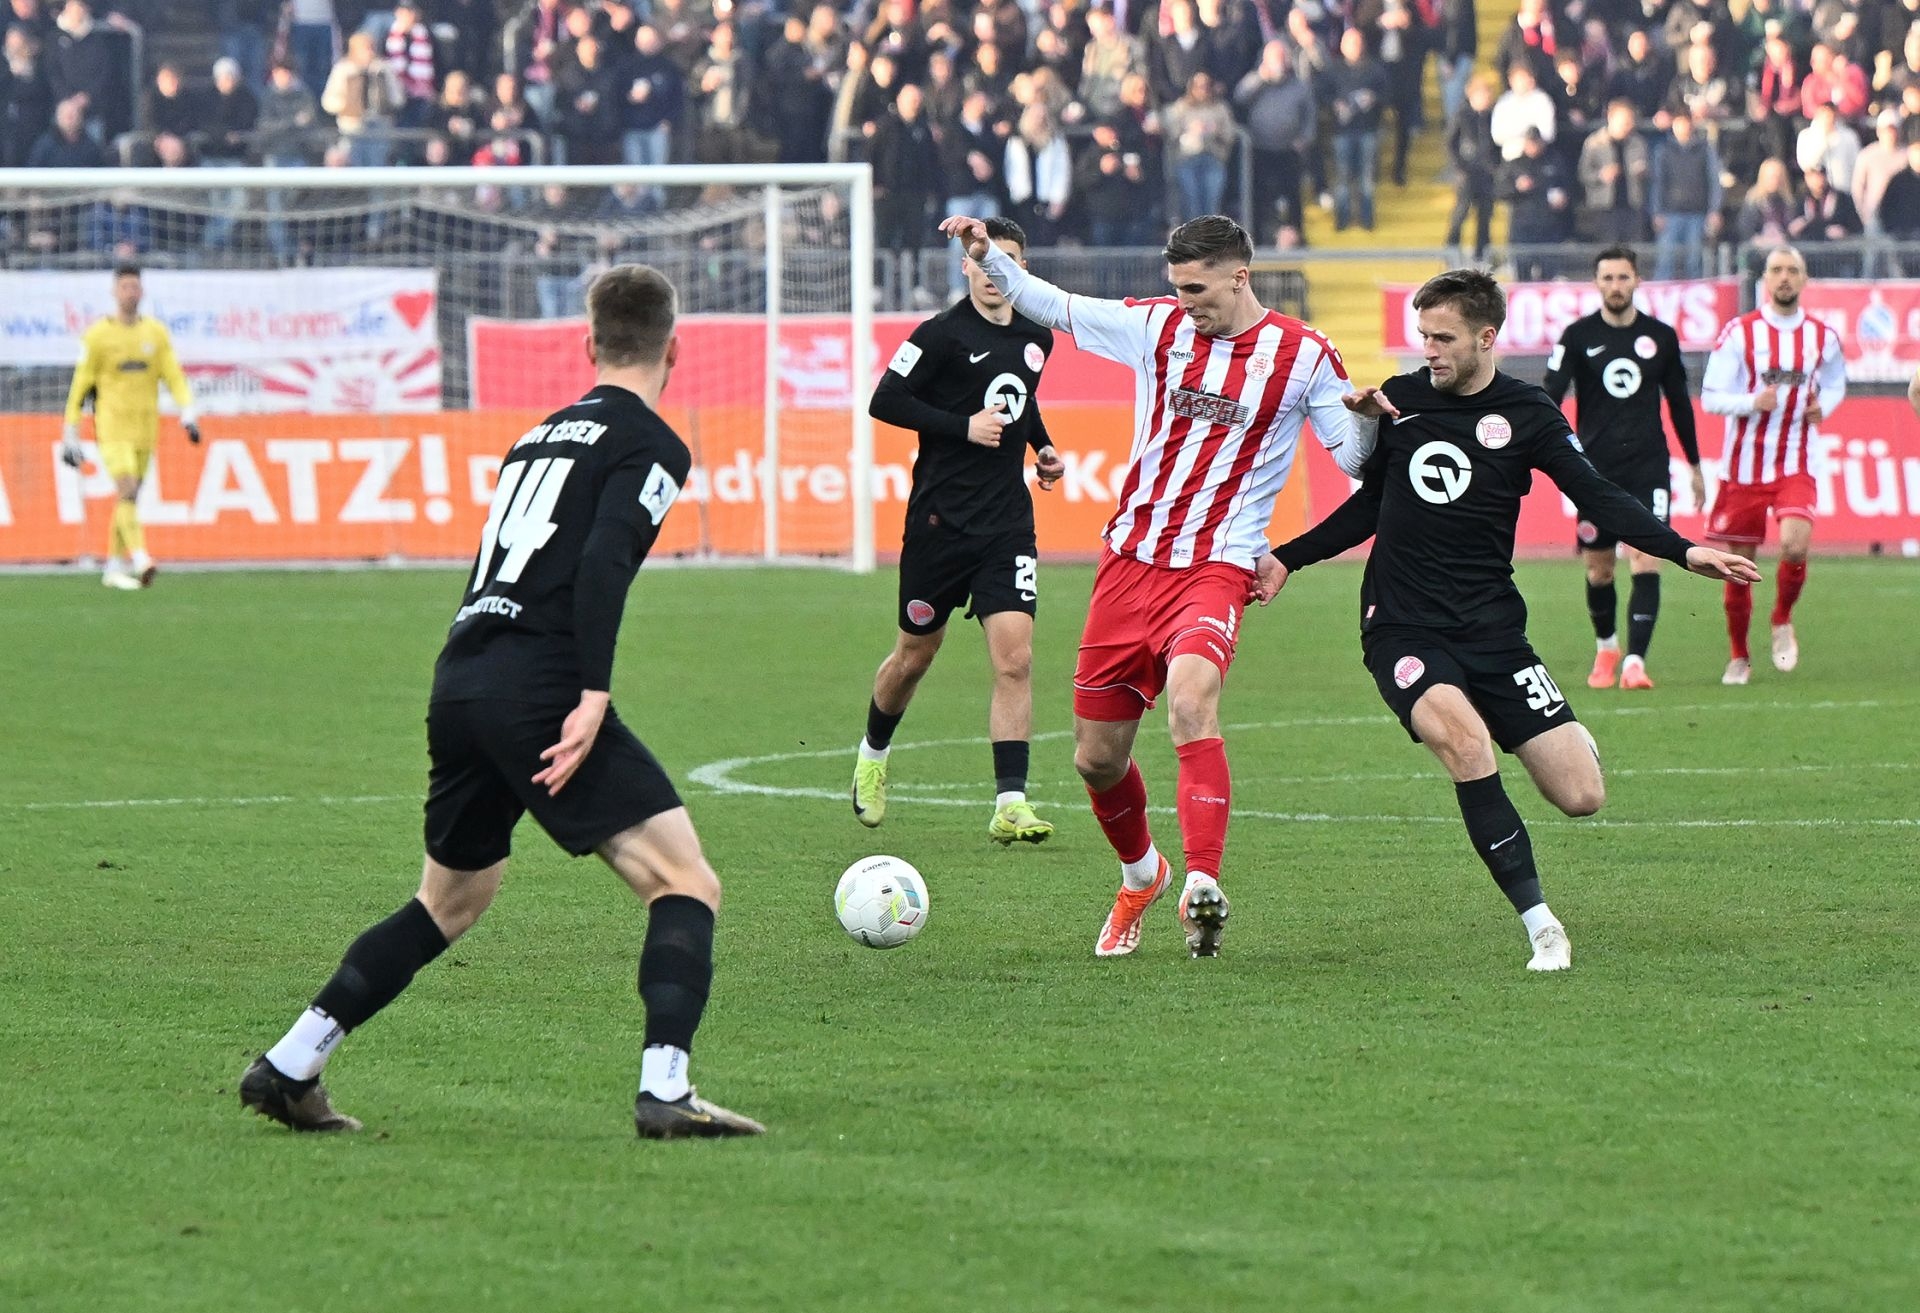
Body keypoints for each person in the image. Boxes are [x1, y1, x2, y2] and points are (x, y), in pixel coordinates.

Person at [238, 266, 764, 1141]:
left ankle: (291, 1064)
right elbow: (602, 562)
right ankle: (666, 1089)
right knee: (685, 882)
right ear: (675, 350)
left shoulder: (536, 437)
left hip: (463, 674)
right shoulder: (652, 443)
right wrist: (592, 691)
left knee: (449, 900)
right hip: (540, 685)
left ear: (588, 344)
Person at [1261, 269, 1758, 973]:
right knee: (1467, 747)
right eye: (1423, 335)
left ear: (1486, 337)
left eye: (1443, 338)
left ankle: (1538, 725)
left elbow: (1596, 493)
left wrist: (1682, 550)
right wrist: (1288, 558)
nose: (1428, 350)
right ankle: (1542, 925)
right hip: (1402, 625)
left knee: (1581, 795)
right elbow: (1370, 506)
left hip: (1493, 630)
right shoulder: (1401, 400)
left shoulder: (1528, 413)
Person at [938, 212, 1374, 960]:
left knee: (1191, 702)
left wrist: (1366, 424)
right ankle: (1142, 874)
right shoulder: (1157, 327)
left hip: (1217, 566)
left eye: (1196, 288)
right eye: (1176, 287)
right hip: (1129, 563)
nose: (1185, 302)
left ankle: (1202, 884)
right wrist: (990, 260)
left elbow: (1355, 460)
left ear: (1241, 277)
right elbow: (1057, 306)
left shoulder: (1303, 355)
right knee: (1096, 758)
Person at [854, 217, 1065, 844]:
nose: (996, 270)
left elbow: (1021, 397)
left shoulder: (1037, 335)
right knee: (914, 657)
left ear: (1022, 269)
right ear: (967, 266)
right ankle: (872, 754)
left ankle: (1010, 803)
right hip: (939, 524)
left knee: (1016, 660)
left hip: (1006, 524)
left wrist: (1042, 446)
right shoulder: (940, 334)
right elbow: (885, 400)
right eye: (984, 258)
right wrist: (962, 426)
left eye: (1009, 259)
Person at [1542, 246, 1702, 691]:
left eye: (1623, 277)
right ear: (1597, 283)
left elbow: (1679, 404)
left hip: (1649, 467)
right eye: (1608, 278)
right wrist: (1547, 450)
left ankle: (1635, 662)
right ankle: (1607, 647)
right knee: (1600, 570)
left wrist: (1694, 464)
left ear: (1637, 281)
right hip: (1594, 472)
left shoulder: (1661, 337)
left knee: (1647, 559)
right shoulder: (1577, 336)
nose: (1616, 286)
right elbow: (1550, 396)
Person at [1700, 245, 1846, 686]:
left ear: (1804, 279)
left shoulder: (1822, 336)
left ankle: (1781, 617)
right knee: (1738, 566)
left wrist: (1825, 407)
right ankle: (1739, 655)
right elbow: (1710, 397)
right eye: (1777, 270)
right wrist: (1751, 402)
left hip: (1796, 461)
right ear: (1765, 279)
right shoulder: (1740, 333)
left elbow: (1836, 382)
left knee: (1795, 546)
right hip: (1743, 468)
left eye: (1792, 270)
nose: (1784, 277)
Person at [57, 263, 199, 590]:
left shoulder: (155, 334)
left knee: (129, 499)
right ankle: (140, 557)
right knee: (127, 489)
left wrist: (188, 411)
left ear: (142, 291)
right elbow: (80, 385)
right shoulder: (97, 336)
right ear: (114, 291)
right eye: (125, 287)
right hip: (111, 427)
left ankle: (113, 567)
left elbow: (174, 376)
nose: (130, 293)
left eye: (135, 287)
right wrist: (70, 431)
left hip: (146, 428)